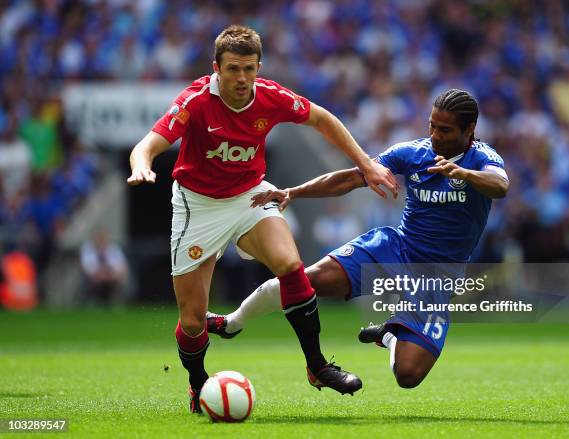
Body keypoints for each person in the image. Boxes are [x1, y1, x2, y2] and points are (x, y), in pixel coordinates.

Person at [126, 25, 398, 412]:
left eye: (249, 69)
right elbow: (147, 145)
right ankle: (199, 383)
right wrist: (142, 166)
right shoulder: (197, 100)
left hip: (249, 195)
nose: (242, 78)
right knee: (191, 321)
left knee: (291, 266)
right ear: (216, 68)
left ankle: (317, 365)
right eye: (233, 69)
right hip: (198, 205)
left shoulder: (270, 97)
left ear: (259, 67)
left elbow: (323, 120)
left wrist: (366, 164)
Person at [207, 89, 509, 389]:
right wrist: (293, 192)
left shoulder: (482, 158)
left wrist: (465, 174)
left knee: (408, 376)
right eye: (431, 125)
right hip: (394, 249)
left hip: (437, 273)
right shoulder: (413, 153)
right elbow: (351, 178)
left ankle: (389, 334)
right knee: (301, 281)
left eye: (445, 129)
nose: (434, 134)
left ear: (469, 130)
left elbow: (500, 185)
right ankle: (232, 322)